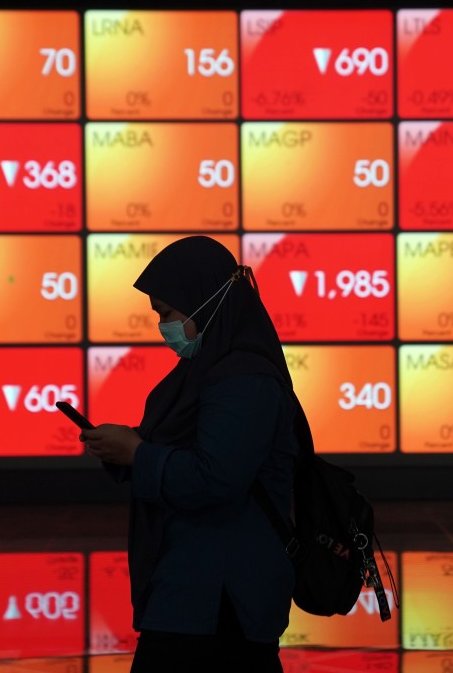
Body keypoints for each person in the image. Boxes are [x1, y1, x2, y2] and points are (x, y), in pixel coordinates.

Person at [81, 236, 310, 673]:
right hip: (199, 588)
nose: (163, 327)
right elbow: (196, 449)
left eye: (167, 313)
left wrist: (138, 455)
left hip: (220, 596)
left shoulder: (242, 379)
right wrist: (126, 450)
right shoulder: (212, 370)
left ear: (206, 301)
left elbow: (215, 477)